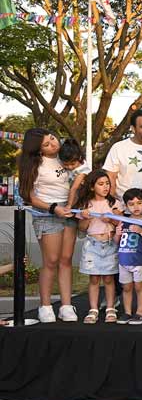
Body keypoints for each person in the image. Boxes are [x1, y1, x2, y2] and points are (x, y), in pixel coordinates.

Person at [102, 109, 142, 307]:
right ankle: (118, 296)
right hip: (125, 212)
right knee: (123, 253)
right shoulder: (119, 148)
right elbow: (109, 177)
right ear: (133, 128)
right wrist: (115, 205)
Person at [18, 129, 78, 323]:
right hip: (48, 213)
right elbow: (30, 197)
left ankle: (66, 305)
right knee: (51, 260)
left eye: (52, 138)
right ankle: (45, 306)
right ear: (38, 150)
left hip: (69, 211)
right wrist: (53, 208)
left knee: (66, 259)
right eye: (46, 144)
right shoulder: (35, 165)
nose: (53, 144)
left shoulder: (65, 156)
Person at [74, 170, 123, 324]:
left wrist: (112, 218)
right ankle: (93, 309)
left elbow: (119, 223)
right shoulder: (85, 205)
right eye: (101, 184)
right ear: (91, 187)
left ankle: (110, 307)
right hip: (92, 245)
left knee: (109, 278)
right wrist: (85, 217)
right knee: (94, 278)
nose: (105, 187)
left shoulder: (114, 203)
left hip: (109, 244)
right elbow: (81, 228)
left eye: (107, 183)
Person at [115, 188, 142, 325]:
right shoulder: (122, 220)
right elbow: (116, 242)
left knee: (139, 287)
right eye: (131, 204)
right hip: (124, 261)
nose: (136, 207)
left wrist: (141, 231)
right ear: (126, 206)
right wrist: (117, 233)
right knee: (126, 287)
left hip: (140, 262)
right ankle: (127, 312)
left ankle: (140, 312)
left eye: (139, 203)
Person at [59, 138, 90, 209]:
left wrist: (69, 205)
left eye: (73, 164)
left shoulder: (83, 170)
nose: (70, 167)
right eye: (66, 164)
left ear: (79, 157)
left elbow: (74, 188)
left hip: (80, 196)